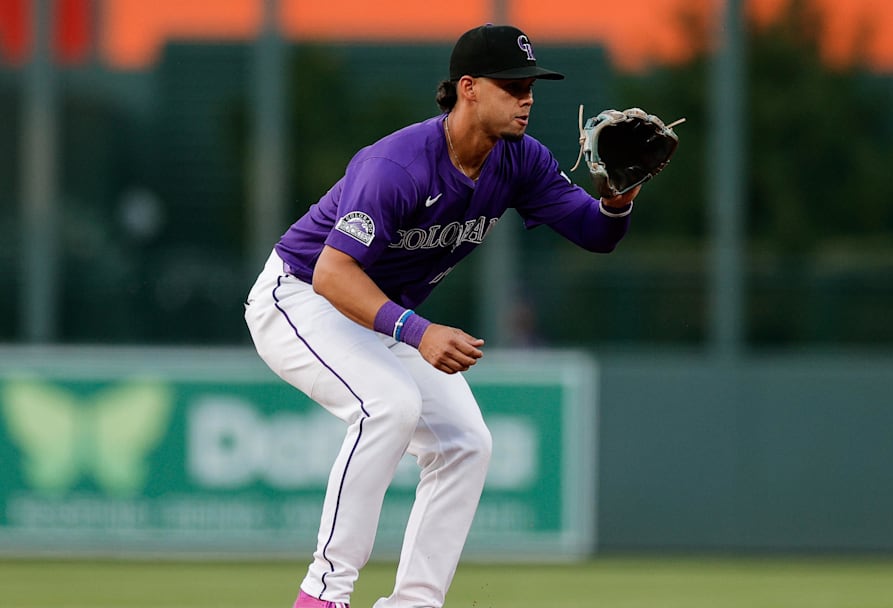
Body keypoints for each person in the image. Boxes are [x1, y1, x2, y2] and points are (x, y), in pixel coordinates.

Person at [244, 23, 643, 608]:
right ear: (468, 88)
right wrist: (418, 331)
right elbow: (332, 274)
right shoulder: (397, 165)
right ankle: (323, 595)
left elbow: (594, 232)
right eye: (511, 84)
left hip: (377, 311)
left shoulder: (520, 161)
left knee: (467, 443)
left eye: (530, 84)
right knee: (389, 406)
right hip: (299, 296)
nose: (526, 96)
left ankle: (414, 604)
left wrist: (619, 197)